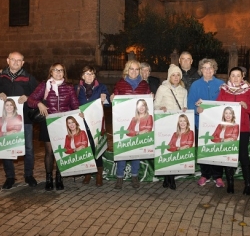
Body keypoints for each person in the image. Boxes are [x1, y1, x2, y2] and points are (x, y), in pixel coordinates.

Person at [27, 63, 79, 191]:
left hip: (63, 123)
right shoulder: (44, 85)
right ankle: (49, 178)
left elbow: (75, 104)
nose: (58, 73)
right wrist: (39, 103)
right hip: (48, 122)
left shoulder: (69, 87)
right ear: (51, 72)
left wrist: (79, 113)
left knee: (61, 152)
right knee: (49, 152)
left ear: (64, 73)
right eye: (56, 70)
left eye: (61, 71)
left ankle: (59, 177)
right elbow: (30, 100)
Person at [0, 51, 38, 189]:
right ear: (8, 60)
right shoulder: (0, 77)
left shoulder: (29, 78)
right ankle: (10, 177)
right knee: (7, 147)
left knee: (29, 148)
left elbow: (37, 95)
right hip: (6, 119)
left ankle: (29, 175)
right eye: (13, 60)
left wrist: (28, 97)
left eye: (19, 61)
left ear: (23, 63)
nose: (16, 62)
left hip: (25, 119)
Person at [111, 59, 151, 189]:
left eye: (136, 69)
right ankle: (119, 177)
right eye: (131, 69)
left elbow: (148, 102)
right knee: (123, 149)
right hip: (125, 123)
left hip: (139, 122)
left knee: (136, 150)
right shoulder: (120, 84)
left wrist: (151, 97)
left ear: (139, 71)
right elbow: (115, 102)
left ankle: (134, 176)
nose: (134, 72)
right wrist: (112, 99)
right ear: (127, 70)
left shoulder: (144, 84)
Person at [216, 67, 250, 194]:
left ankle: (248, 184)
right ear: (229, 77)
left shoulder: (249, 90)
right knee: (229, 155)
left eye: (238, 75)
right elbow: (216, 107)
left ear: (242, 77)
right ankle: (230, 183)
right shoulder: (223, 90)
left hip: (243, 128)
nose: (236, 78)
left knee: (243, 156)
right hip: (227, 128)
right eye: (233, 75)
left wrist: (246, 106)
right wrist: (203, 106)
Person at [187, 58, 223, 187]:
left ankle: (218, 176)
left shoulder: (221, 84)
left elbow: (227, 101)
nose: (208, 70)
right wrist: (197, 109)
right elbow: (190, 103)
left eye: (210, 68)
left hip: (217, 123)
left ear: (214, 69)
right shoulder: (195, 85)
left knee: (216, 148)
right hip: (200, 123)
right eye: (205, 68)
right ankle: (205, 174)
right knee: (203, 149)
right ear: (201, 70)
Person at [154, 64, 188, 189]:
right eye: (173, 75)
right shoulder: (162, 88)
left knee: (174, 149)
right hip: (164, 123)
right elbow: (155, 105)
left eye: (178, 75)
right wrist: (160, 108)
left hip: (177, 125)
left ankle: (171, 177)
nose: (176, 77)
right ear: (169, 76)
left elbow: (185, 107)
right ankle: (166, 177)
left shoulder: (184, 91)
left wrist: (185, 109)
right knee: (166, 149)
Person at [76, 65, 110, 186]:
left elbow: (108, 104)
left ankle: (99, 174)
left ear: (95, 76)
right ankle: (88, 173)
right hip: (82, 124)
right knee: (86, 148)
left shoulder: (101, 87)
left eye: (91, 74)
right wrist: (77, 112)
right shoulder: (78, 88)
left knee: (97, 148)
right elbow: (74, 104)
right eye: (87, 74)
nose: (89, 76)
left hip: (96, 123)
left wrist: (105, 99)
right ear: (82, 76)